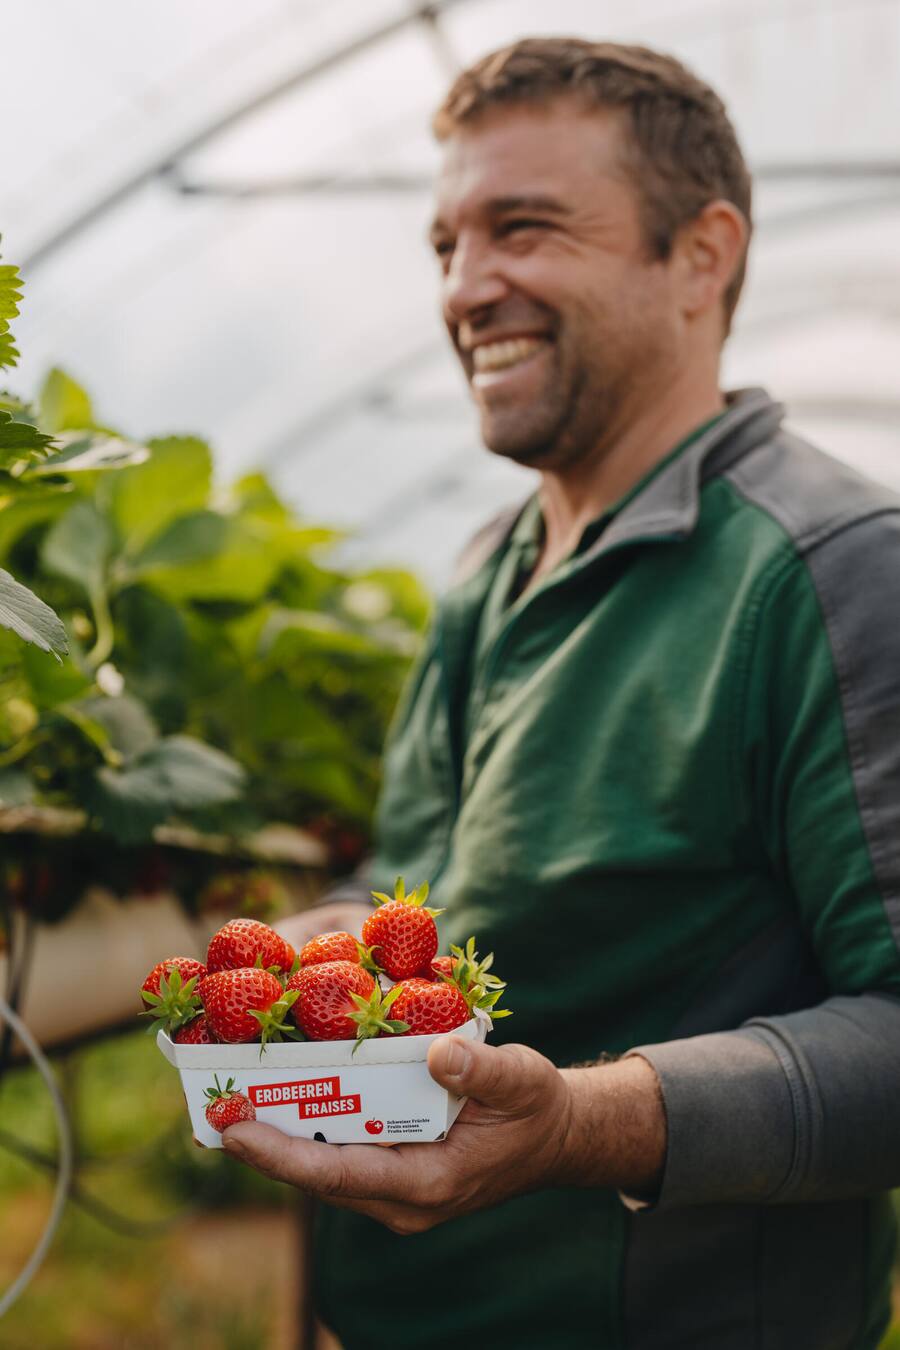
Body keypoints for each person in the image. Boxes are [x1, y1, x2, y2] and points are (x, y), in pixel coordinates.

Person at [221, 38, 900, 1349]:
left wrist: (580, 1125)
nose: (468, 288)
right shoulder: (485, 570)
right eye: (445, 246)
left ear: (700, 256)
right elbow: (424, 893)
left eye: (522, 228)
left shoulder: (830, 568)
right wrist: (337, 942)